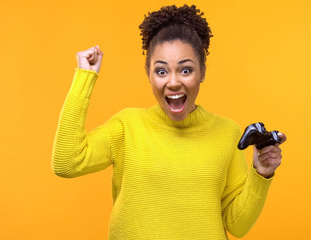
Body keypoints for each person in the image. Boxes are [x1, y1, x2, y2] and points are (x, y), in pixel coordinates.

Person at [52, 4, 286, 240]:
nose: (173, 82)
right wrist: (85, 77)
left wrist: (261, 174)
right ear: (148, 73)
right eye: (161, 71)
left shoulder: (227, 133)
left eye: (185, 70)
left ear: (202, 71)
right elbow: (67, 162)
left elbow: (237, 226)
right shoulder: (127, 126)